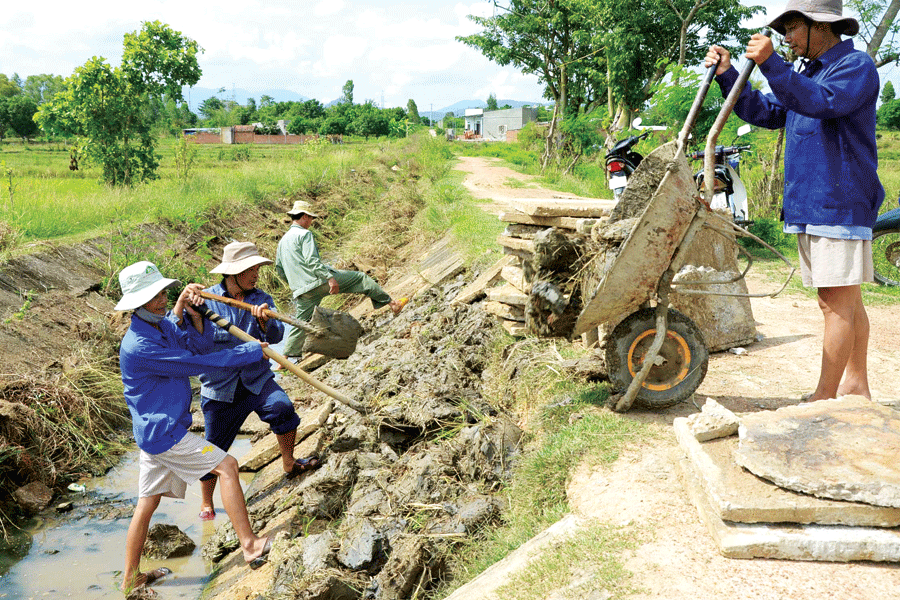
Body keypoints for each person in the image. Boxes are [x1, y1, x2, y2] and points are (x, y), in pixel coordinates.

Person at [705, 0, 885, 401]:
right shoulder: (808, 73)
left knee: (834, 302)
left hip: (838, 200)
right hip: (815, 202)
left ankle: (825, 394)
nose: (785, 37)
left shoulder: (855, 68)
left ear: (820, 27)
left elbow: (821, 102)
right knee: (846, 300)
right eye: (783, 29)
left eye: (791, 27)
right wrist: (727, 74)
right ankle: (856, 386)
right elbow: (766, 111)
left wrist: (772, 64)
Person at [116, 261, 272, 593]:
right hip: (164, 433)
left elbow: (195, 345)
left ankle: (131, 578)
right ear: (136, 302)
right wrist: (248, 352)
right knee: (228, 466)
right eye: (153, 296)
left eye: (162, 292)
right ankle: (250, 546)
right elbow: (195, 363)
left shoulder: (158, 325)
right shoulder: (140, 345)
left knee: (147, 503)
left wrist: (192, 312)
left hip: (151, 432)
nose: (161, 299)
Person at [193, 241, 321, 522]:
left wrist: (264, 323)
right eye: (250, 269)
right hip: (220, 388)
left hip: (256, 380)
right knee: (212, 448)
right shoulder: (206, 300)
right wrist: (187, 304)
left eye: (257, 269)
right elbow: (184, 332)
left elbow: (276, 337)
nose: (255, 274)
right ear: (232, 274)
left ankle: (288, 462)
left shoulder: (260, 298)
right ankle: (206, 502)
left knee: (283, 409)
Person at [275, 199, 407, 357]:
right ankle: (393, 304)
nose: (311, 222)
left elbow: (280, 270)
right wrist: (329, 278)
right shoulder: (304, 234)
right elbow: (312, 261)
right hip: (318, 281)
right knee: (359, 279)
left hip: (301, 290)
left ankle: (285, 358)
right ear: (304, 217)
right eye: (310, 218)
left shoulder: (282, 242)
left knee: (301, 322)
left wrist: (297, 283)